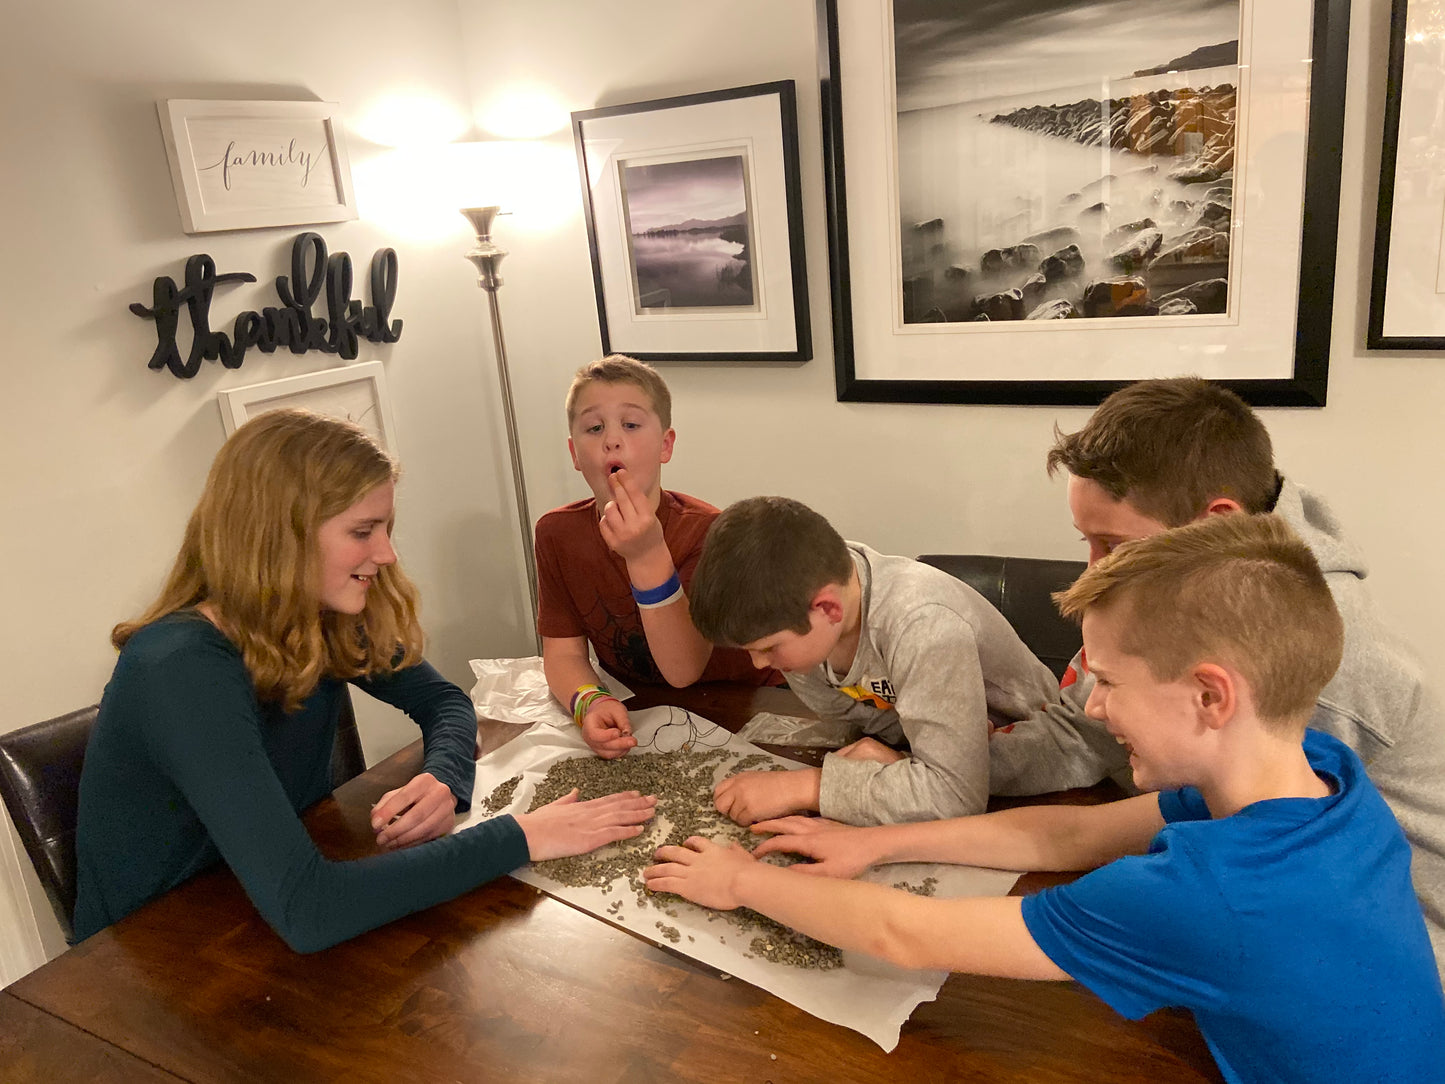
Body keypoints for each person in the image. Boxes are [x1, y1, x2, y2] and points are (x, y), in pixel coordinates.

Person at [646, 514, 1445, 1084]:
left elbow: (905, 932)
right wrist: (876, 843)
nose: (1089, 707)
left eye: (1109, 682)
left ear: (1209, 696)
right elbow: (1068, 836)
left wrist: (741, 881)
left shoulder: (1211, 894)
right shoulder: (1317, 765)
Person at [73, 409, 654, 952]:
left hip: (253, 911)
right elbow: (310, 908)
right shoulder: (179, 667)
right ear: (279, 536)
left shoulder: (315, 616)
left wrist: (443, 776)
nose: (387, 553)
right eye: (363, 531)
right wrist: (523, 836)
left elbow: (444, 701)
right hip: (153, 961)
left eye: (386, 527)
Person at [987, 376, 1445, 979]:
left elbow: (1264, 870)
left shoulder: (1319, 666)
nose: (1094, 569)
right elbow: (1082, 735)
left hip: (1389, 958)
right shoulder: (1182, 580)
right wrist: (942, 767)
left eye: (1112, 544)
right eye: (1087, 542)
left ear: (1215, 520)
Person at [686, 496, 1059, 827]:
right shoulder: (809, 626)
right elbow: (891, 736)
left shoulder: (923, 622)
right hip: (935, 762)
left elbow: (957, 794)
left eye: (769, 648)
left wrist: (808, 786)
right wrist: (902, 757)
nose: (758, 664)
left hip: (1040, 775)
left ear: (827, 608)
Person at [535, 355, 777, 761]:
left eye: (630, 425)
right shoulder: (556, 534)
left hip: (748, 705)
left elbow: (684, 670)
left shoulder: (710, 531)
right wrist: (589, 701)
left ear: (666, 445)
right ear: (575, 454)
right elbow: (563, 655)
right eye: (595, 428)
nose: (612, 440)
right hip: (644, 713)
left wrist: (647, 553)